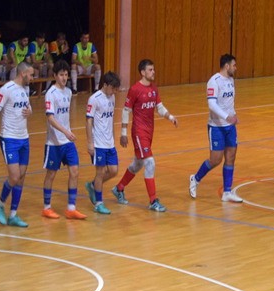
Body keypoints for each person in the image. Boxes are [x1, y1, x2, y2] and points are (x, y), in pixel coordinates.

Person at [113, 58, 178, 212]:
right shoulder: (135, 89)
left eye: (153, 69)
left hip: (150, 132)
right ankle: (153, 200)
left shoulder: (154, 88)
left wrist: (170, 117)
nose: (153, 72)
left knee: (138, 164)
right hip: (139, 132)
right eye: (150, 70)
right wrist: (123, 133)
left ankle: (119, 188)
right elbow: (126, 111)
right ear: (142, 72)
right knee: (150, 162)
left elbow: (159, 108)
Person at [0, 60, 35, 228]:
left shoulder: (25, 89)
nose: (32, 78)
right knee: (14, 176)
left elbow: (28, 107)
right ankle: (0, 203)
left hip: (24, 138)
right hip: (9, 138)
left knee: (21, 177)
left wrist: (30, 111)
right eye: (31, 75)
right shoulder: (6, 89)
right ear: (23, 74)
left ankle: (13, 215)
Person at [189, 54, 242, 203]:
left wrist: (233, 115)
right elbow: (212, 105)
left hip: (230, 127)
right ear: (227, 66)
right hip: (216, 126)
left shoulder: (231, 80)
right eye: (234, 65)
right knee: (215, 159)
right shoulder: (214, 81)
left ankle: (227, 192)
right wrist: (227, 117)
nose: (235, 68)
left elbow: (229, 102)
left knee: (231, 157)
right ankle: (195, 178)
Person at [41, 60, 86, 220]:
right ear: (55, 75)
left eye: (66, 74)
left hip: (67, 142)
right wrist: (65, 131)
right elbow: (50, 118)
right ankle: (46, 208)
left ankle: (71, 208)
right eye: (61, 75)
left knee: (75, 171)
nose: (64, 77)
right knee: (51, 174)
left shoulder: (68, 92)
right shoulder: (50, 93)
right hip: (54, 143)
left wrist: (68, 132)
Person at [84, 71, 121, 215]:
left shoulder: (112, 97)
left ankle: (93, 185)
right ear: (105, 85)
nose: (114, 91)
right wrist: (90, 142)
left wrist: (113, 138)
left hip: (109, 143)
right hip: (98, 143)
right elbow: (88, 121)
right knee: (100, 172)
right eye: (113, 88)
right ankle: (99, 204)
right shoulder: (94, 99)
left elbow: (111, 119)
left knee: (113, 171)